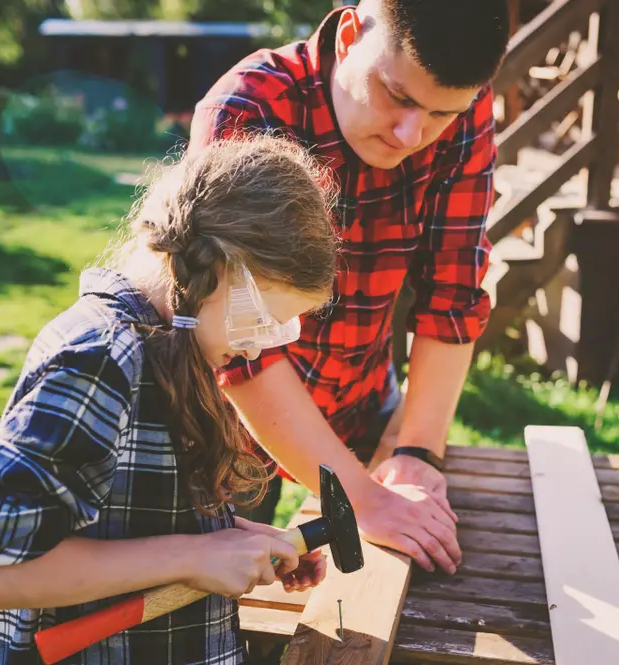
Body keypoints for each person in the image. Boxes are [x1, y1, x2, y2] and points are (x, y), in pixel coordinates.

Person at [0, 134, 340, 664]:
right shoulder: (102, 358)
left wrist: (236, 540)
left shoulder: (168, 347)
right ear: (215, 270)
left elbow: (122, 517)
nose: (256, 345)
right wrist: (193, 555)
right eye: (261, 319)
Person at [189, 0, 510, 575]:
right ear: (349, 38)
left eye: (440, 114)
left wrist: (415, 451)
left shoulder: (464, 105)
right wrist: (362, 499)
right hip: (229, 423)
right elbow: (240, 345)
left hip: (361, 393)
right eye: (398, 96)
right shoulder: (249, 112)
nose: (413, 133)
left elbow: (453, 296)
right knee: (225, 612)